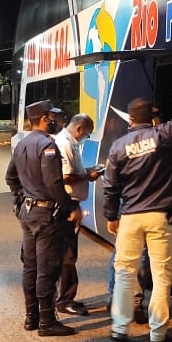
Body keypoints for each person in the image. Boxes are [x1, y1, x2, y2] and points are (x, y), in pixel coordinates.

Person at [103, 90, 172, 342]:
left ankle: (119, 329)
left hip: (130, 217)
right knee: (161, 276)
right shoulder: (163, 134)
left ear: (130, 119)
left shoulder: (118, 147)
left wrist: (110, 216)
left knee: (125, 272)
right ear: (151, 119)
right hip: (161, 217)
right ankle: (158, 335)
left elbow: (110, 187)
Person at [5, 99, 83, 337]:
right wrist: (70, 206)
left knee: (30, 267)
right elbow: (54, 183)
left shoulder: (22, 144)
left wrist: (22, 198)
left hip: (28, 213)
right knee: (46, 269)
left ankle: (32, 317)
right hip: (45, 215)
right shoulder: (47, 145)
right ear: (42, 118)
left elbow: (11, 177)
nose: (56, 121)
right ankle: (47, 322)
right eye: (52, 117)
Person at [52, 113, 101, 316]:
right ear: (79, 128)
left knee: (68, 253)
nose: (86, 137)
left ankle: (66, 297)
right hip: (66, 205)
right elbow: (64, 177)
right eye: (87, 133)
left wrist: (88, 170)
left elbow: (72, 171)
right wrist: (88, 176)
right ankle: (64, 300)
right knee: (67, 255)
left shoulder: (69, 142)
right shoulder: (64, 144)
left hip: (69, 204)